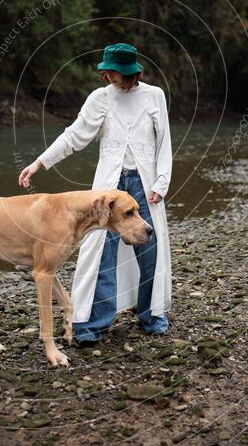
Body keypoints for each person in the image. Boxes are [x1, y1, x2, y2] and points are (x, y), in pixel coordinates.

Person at [18, 43, 172, 344]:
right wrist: (39, 163)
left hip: (145, 185)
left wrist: (161, 183)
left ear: (130, 72)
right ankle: (91, 325)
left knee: (149, 250)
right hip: (107, 191)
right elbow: (74, 136)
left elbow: (164, 142)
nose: (107, 76)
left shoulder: (155, 96)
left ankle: (150, 315)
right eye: (106, 71)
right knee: (101, 254)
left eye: (113, 71)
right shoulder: (99, 99)